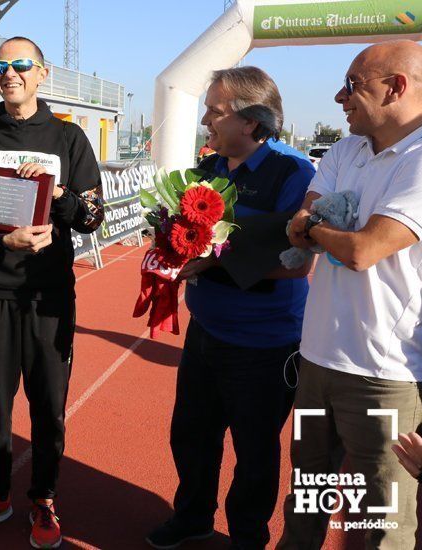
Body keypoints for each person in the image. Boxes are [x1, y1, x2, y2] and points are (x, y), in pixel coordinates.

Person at [146, 66, 315, 550]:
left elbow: (297, 264)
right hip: (206, 332)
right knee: (191, 436)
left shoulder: (295, 173)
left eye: (215, 112)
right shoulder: (207, 169)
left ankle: (247, 538)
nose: (205, 120)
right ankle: (193, 516)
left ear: (253, 121)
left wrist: (208, 267)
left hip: (265, 343)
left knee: (255, 453)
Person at [0, 36, 104, 549]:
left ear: (42, 73)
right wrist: (2, 239)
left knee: (48, 403)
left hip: (49, 295)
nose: (9, 73)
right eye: (1, 66)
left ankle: (43, 496)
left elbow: (93, 216)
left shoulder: (69, 139)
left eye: (20, 65)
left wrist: (57, 193)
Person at [278, 40, 422, 549]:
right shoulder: (345, 149)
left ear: (396, 87)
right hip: (317, 362)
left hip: (385, 374)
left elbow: (364, 250)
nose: (340, 98)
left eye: (353, 85)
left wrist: (321, 229)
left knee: (378, 525)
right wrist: (321, 229)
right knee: (305, 500)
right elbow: (301, 223)